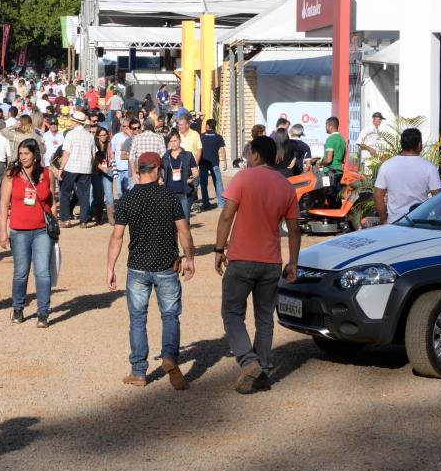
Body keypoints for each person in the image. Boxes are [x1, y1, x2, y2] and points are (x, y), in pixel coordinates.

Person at [215, 136, 300, 394]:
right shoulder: (286, 186)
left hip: (241, 258)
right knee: (264, 318)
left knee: (232, 313)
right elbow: (294, 229)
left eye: (248, 152)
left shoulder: (243, 178)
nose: (247, 156)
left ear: (256, 156)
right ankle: (261, 368)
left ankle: (249, 362)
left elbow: (227, 214)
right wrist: (293, 263)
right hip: (271, 262)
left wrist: (219, 249)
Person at [107, 152, 195, 390]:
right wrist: (190, 258)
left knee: (137, 319)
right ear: (157, 169)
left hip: (137, 267)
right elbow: (184, 231)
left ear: (139, 170)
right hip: (166, 266)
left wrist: (110, 268)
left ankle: (139, 372)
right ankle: (169, 357)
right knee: (170, 315)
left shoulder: (127, 199)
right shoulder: (169, 197)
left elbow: (117, 236)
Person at [0, 138, 56, 327]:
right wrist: (2, 231)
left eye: (26, 153)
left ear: (35, 155)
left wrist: (54, 227)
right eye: (20, 154)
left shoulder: (47, 174)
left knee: (42, 272)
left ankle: (43, 312)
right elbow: (3, 204)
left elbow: (52, 202)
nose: (23, 157)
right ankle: (18, 307)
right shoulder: (11, 174)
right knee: (21, 273)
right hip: (19, 230)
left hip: (42, 230)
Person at [374, 128, 441, 225]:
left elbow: (378, 196)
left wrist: (384, 219)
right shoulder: (429, 167)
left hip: (394, 222)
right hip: (420, 222)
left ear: (402, 144)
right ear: (419, 145)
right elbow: (438, 197)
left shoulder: (387, 165)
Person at [58, 110, 97, 227]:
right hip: (85, 168)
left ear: (75, 122)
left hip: (71, 167)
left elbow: (66, 153)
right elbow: (93, 155)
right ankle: (83, 220)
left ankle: (65, 219)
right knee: (84, 195)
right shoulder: (90, 136)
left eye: (72, 120)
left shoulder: (70, 134)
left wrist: (61, 168)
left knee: (65, 193)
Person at [163, 131, 199, 222]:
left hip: (184, 193)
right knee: (170, 224)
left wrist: (191, 179)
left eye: (175, 140)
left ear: (180, 140)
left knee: (185, 222)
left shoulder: (188, 155)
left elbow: (195, 171)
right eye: (171, 141)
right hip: (169, 194)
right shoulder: (165, 156)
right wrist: (160, 179)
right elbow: (159, 171)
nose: (173, 143)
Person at [198, 119, 227, 210]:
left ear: (207, 126)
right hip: (215, 163)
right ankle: (221, 202)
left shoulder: (201, 136)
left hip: (203, 162)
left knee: (203, 184)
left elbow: (198, 149)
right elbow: (222, 150)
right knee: (218, 182)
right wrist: (225, 161)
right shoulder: (218, 137)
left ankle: (206, 204)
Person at [319, 117, 346, 205]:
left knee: (330, 196)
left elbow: (328, 159)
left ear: (330, 126)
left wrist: (320, 163)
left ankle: (331, 216)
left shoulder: (331, 139)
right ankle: (337, 215)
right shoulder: (342, 139)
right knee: (337, 195)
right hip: (339, 171)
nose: (325, 127)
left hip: (330, 172)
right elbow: (343, 158)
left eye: (326, 125)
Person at [93, 126, 115, 225]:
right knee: (98, 196)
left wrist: (111, 162)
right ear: (97, 136)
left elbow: (111, 156)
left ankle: (111, 218)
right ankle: (98, 217)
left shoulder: (109, 144)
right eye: (101, 135)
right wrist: (102, 168)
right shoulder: (94, 145)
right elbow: (93, 160)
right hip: (97, 172)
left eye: (105, 135)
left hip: (107, 171)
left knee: (109, 195)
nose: (104, 137)